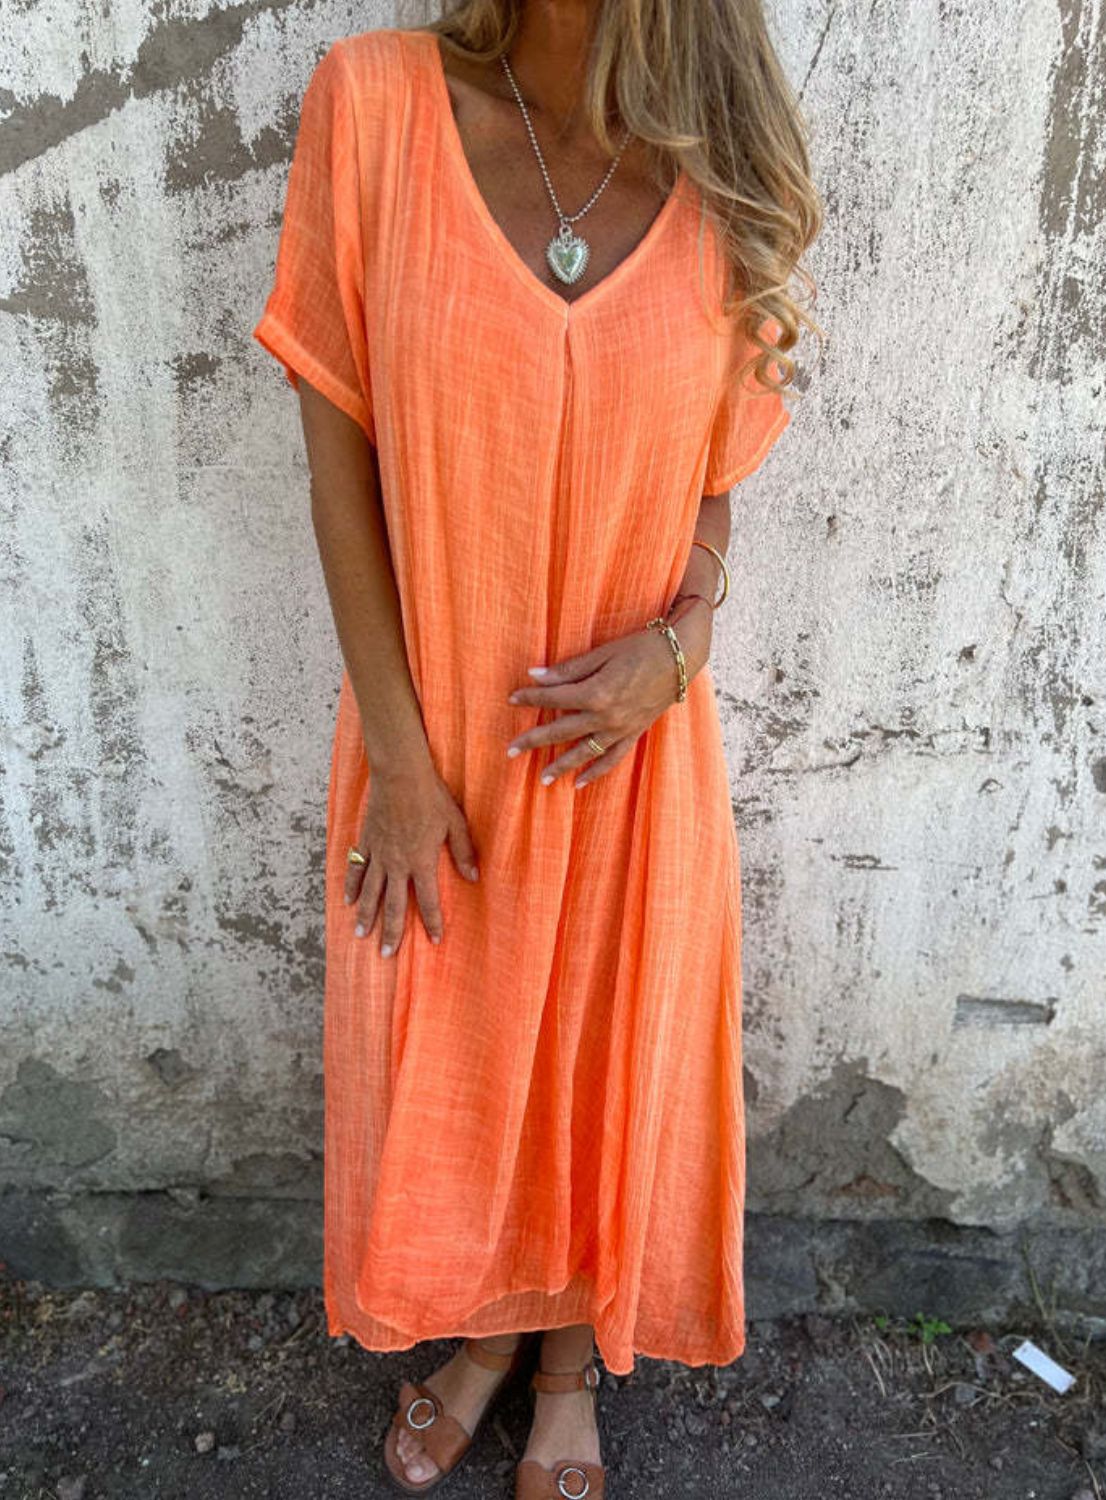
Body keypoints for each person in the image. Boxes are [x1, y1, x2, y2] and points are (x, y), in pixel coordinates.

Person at [252, 2, 821, 1495]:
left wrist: (679, 648)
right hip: (434, 742)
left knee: (595, 1062)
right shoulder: (374, 105)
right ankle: (489, 1336)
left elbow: (707, 483)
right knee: (460, 1057)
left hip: (629, 747)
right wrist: (398, 760)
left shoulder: (724, 166)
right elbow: (336, 449)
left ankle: (564, 1363)